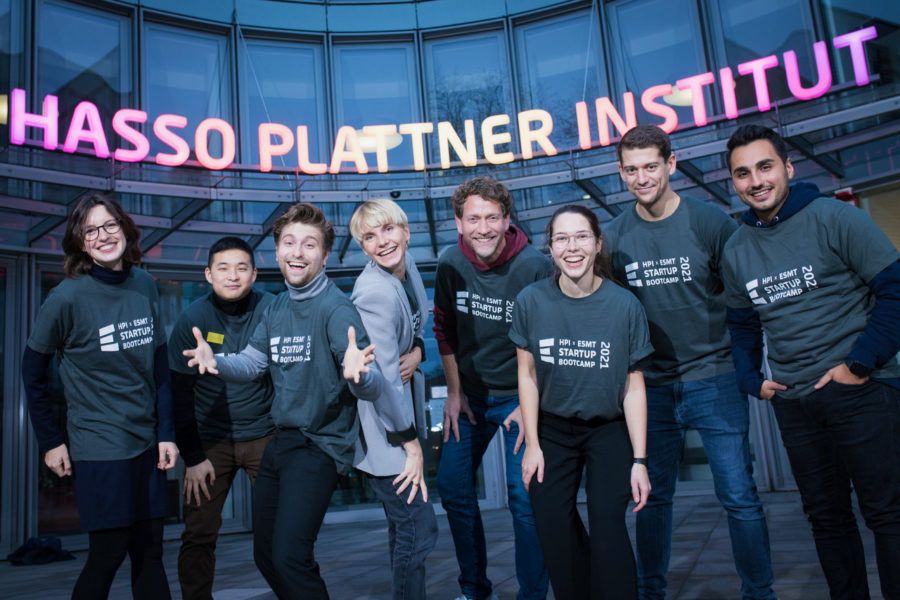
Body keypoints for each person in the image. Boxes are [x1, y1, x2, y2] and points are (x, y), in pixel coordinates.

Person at [722, 124, 900, 599]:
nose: (756, 180)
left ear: (787, 168)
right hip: (796, 404)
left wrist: (858, 366)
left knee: (887, 513)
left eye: (765, 166)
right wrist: (749, 378)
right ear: (733, 183)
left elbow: (895, 291)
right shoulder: (737, 248)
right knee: (827, 520)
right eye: (743, 173)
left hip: (860, 392)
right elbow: (742, 324)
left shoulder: (834, 218)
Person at [604, 125, 776, 600]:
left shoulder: (710, 223)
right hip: (652, 389)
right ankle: (650, 591)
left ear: (671, 164)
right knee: (652, 501)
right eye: (632, 169)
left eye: (651, 167)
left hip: (713, 378)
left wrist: (749, 366)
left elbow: (743, 300)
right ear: (621, 173)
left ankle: (759, 593)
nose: (642, 178)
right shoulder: (613, 238)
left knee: (739, 497)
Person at [182, 202, 383, 600]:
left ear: (324, 255)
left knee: (291, 556)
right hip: (282, 443)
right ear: (277, 252)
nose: (297, 252)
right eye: (289, 242)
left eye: (310, 245)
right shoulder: (276, 307)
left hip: (319, 446)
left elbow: (369, 383)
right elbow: (253, 363)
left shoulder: (335, 309)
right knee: (266, 556)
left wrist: (361, 375)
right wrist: (216, 361)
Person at [22, 191, 178, 599]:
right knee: (107, 555)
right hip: (100, 445)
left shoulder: (144, 283)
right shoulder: (67, 298)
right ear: (79, 241)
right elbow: (32, 371)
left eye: (109, 224)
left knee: (151, 552)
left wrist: (166, 432)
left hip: (146, 444)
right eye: (90, 230)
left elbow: (158, 366)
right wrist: (51, 440)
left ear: (124, 227)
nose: (103, 235)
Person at [511, 204, 652, 600]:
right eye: (561, 239)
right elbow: (527, 374)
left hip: (608, 429)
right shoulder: (531, 301)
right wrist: (534, 445)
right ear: (550, 248)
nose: (572, 247)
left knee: (608, 525)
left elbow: (634, 386)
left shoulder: (625, 306)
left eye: (581, 237)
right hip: (553, 430)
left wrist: (639, 461)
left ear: (597, 243)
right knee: (551, 520)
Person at [433, 176, 551, 600]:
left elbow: (548, 339)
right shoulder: (450, 263)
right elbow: (443, 329)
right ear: (458, 223)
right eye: (473, 219)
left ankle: (532, 594)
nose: (482, 228)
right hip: (473, 399)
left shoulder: (535, 265)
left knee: (525, 499)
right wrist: (454, 392)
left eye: (491, 218)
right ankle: (474, 588)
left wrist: (532, 401)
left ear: (506, 221)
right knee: (452, 486)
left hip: (522, 397)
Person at [168, 236, 275, 600]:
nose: (233, 276)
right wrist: (194, 458)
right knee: (198, 535)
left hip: (265, 435)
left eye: (241, 268)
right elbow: (178, 395)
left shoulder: (272, 309)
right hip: (210, 440)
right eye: (223, 268)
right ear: (208, 274)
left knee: (283, 533)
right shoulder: (192, 318)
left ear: (254, 273)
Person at [348, 198, 439, 599]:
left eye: (387, 230)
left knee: (404, 528)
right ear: (363, 247)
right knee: (419, 529)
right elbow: (381, 379)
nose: (382, 242)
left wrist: (418, 349)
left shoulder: (406, 268)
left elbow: (419, 322)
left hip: (401, 415)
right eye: (370, 236)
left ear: (405, 230)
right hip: (385, 429)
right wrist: (411, 444)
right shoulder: (374, 292)